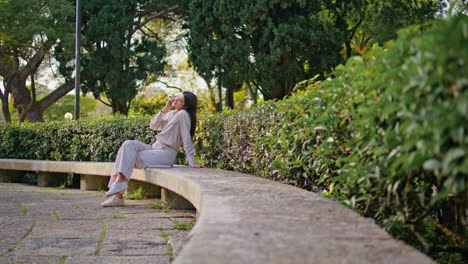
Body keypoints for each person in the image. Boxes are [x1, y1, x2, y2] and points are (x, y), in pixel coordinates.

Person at [101, 91, 204, 207]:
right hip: (155, 147)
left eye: (180, 100)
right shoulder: (170, 114)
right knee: (128, 145)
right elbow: (153, 125)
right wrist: (165, 108)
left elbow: (186, 139)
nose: (175, 100)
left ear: (186, 106)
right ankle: (119, 185)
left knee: (130, 157)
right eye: (176, 97)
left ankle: (118, 192)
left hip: (166, 153)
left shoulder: (183, 115)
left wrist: (192, 162)